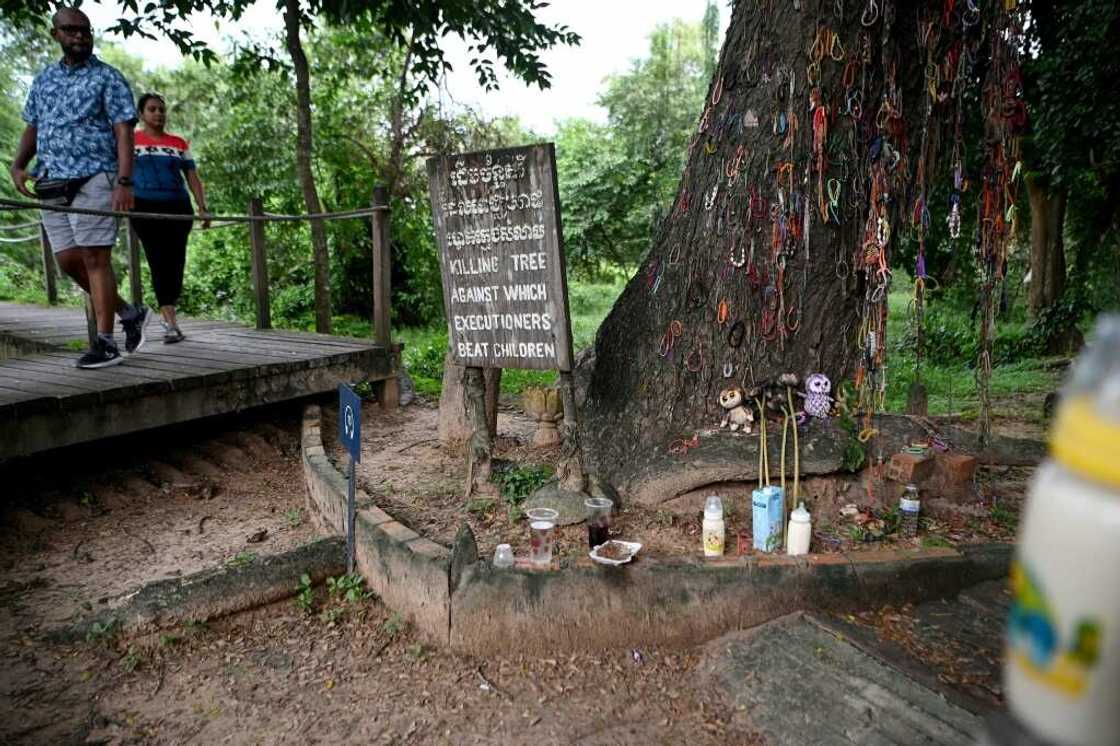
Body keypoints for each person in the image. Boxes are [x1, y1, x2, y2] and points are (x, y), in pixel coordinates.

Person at [8, 7, 150, 368]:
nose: (80, 37)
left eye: (85, 31)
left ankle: (105, 342)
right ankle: (128, 313)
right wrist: (18, 164)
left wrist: (123, 181)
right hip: (52, 178)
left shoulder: (108, 78)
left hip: (96, 177)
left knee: (95, 258)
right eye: (71, 31)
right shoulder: (43, 81)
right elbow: (33, 127)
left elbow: (123, 132)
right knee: (69, 261)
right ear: (56, 34)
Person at [132, 93, 210, 343]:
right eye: (152, 109)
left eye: (161, 110)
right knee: (157, 260)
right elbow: (118, 171)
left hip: (178, 207)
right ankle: (170, 322)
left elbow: (193, 177)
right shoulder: (130, 141)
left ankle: (171, 314)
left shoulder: (178, 143)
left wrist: (202, 206)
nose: (158, 114)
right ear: (141, 114)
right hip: (143, 207)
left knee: (176, 262)